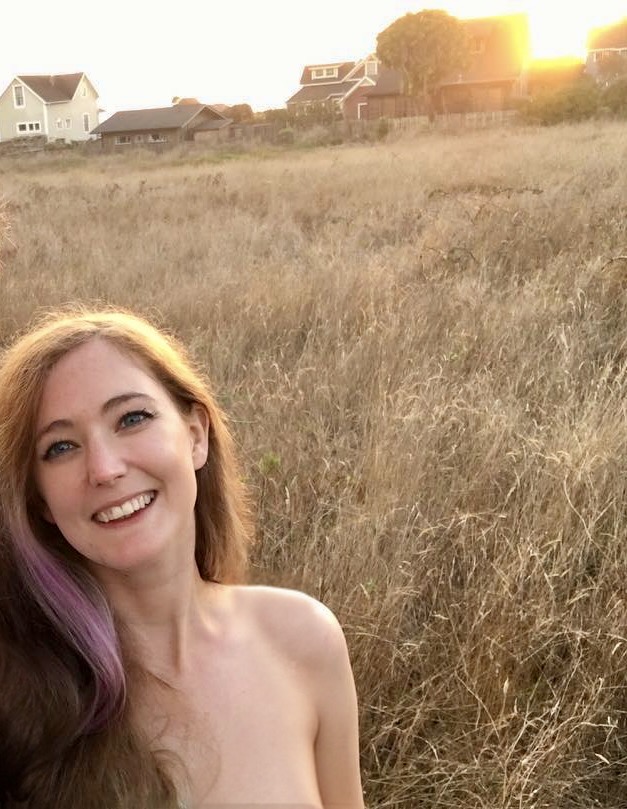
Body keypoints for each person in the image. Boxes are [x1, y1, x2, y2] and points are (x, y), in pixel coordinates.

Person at [0, 308, 365, 809]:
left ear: (196, 434)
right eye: (61, 447)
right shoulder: (21, 698)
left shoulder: (303, 639)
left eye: (132, 418)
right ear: (39, 501)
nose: (104, 469)